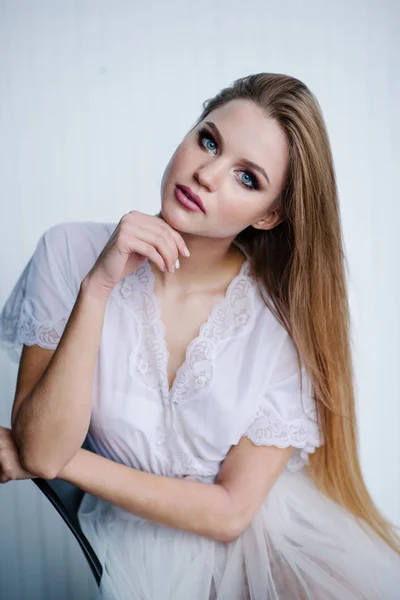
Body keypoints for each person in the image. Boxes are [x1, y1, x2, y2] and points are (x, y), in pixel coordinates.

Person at [0, 72, 399, 600]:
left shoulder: (279, 324)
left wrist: (57, 459)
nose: (207, 174)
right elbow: (42, 445)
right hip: (128, 548)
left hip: (265, 545)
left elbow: (231, 512)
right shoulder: (69, 252)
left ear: (271, 215)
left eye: (247, 177)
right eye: (208, 140)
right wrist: (98, 286)